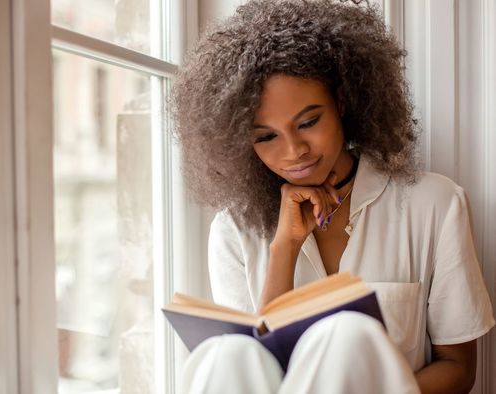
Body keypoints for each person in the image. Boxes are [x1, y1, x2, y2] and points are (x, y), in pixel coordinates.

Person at [169, 0, 495, 392]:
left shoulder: (434, 204)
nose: (294, 151)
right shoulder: (233, 229)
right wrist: (284, 248)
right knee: (226, 353)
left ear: (341, 102)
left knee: (345, 335)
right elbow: (256, 370)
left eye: (308, 122)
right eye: (266, 136)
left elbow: (458, 367)